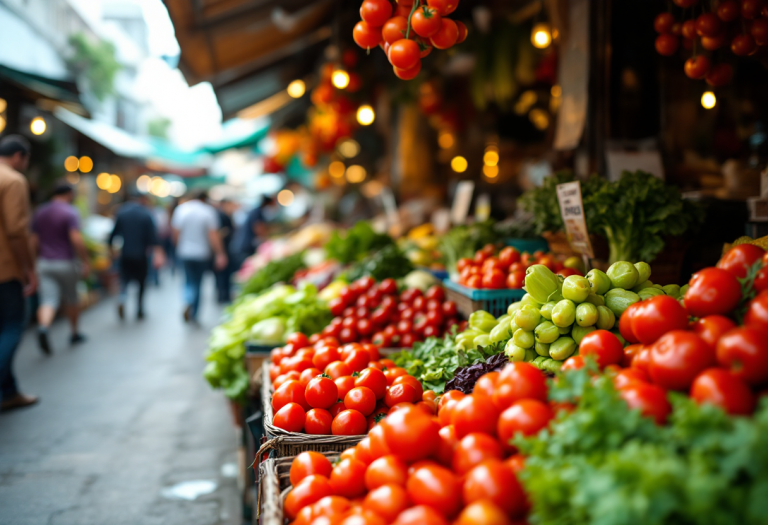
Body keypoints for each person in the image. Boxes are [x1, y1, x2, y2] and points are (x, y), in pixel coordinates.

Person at [0, 135, 38, 411]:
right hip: (5, 268)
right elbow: (16, 231)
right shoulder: (13, 180)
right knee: (12, 325)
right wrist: (29, 268)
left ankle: (10, 391)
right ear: (18, 157)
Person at [31, 183, 90, 354]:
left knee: (48, 300)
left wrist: (33, 262)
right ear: (70, 194)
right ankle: (74, 333)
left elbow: (33, 240)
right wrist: (85, 260)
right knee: (72, 298)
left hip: (44, 262)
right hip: (65, 262)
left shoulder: (40, 211)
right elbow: (76, 239)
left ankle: (43, 327)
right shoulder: (70, 211)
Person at [171, 190, 227, 323]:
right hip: (202, 253)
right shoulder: (207, 211)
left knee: (188, 280)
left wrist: (178, 247)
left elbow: (175, 232)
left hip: (184, 252)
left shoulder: (182, 209)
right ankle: (194, 313)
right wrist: (220, 253)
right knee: (198, 283)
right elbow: (213, 235)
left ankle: (188, 300)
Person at [109, 192, 165, 320]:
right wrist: (159, 253)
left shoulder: (121, 212)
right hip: (141, 254)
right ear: (142, 199)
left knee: (124, 279)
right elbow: (153, 238)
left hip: (125, 253)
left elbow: (113, 235)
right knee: (142, 282)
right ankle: (139, 308)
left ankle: (122, 298)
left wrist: (111, 251)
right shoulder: (146, 214)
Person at [214, 199, 234, 303]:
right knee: (222, 274)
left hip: (226, 249)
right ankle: (222, 295)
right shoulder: (221, 216)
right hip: (223, 249)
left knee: (225, 274)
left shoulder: (226, 215)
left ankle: (224, 294)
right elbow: (216, 233)